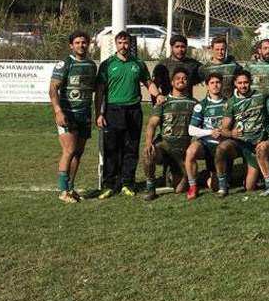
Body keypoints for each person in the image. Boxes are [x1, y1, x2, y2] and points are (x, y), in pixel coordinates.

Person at [94, 31, 163, 199]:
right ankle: (109, 184)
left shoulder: (138, 63)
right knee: (112, 149)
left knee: (131, 148)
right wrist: (99, 114)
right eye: (120, 42)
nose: (123, 46)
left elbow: (148, 83)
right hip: (113, 110)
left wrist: (157, 94)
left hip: (133, 110)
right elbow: (100, 91)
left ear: (130, 45)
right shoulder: (107, 64)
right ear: (116, 44)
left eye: (126, 43)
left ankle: (127, 183)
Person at [49, 30, 97, 203]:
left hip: (85, 114)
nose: (81, 45)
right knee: (68, 151)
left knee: (78, 153)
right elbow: (53, 88)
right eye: (77, 43)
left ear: (88, 44)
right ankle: (63, 191)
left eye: (83, 42)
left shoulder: (92, 65)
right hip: (68, 115)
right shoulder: (65, 63)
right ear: (71, 45)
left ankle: (71, 188)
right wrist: (58, 111)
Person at [141, 68, 197, 201]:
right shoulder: (163, 102)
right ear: (172, 82)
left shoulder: (194, 103)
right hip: (164, 146)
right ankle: (150, 188)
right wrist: (148, 142)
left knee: (179, 190)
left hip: (182, 151)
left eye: (184, 78)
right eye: (178, 78)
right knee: (149, 153)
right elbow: (152, 124)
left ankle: (175, 175)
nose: (181, 81)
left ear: (188, 82)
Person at [216, 70, 269, 197]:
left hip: (254, 145)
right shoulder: (231, 102)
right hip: (238, 143)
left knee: (249, 188)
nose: (243, 85)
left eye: (246, 82)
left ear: (250, 82)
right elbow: (223, 129)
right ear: (235, 83)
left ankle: (258, 177)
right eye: (240, 83)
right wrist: (231, 134)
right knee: (220, 149)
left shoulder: (261, 96)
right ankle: (222, 186)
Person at [183, 72, 225, 200]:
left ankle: (209, 175)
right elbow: (191, 130)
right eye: (212, 83)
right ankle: (193, 186)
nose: (215, 85)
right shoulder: (201, 105)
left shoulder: (229, 103)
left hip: (223, 146)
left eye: (218, 82)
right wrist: (209, 132)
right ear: (207, 86)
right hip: (206, 144)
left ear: (222, 85)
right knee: (191, 151)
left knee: (214, 186)